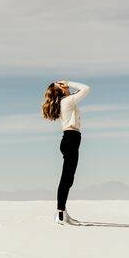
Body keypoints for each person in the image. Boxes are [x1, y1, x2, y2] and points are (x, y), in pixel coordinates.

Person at [41, 80, 91, 225]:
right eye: (62, 85)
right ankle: (60, 214)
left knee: (68, 179)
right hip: (71, 139)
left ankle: (63, 213)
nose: (66, 85)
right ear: (61, 90)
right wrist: (69, 82)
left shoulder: (67, 101)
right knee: (66, 179)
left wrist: (66, 87)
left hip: (70, 140)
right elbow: (86, 88)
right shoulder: (67, 101)